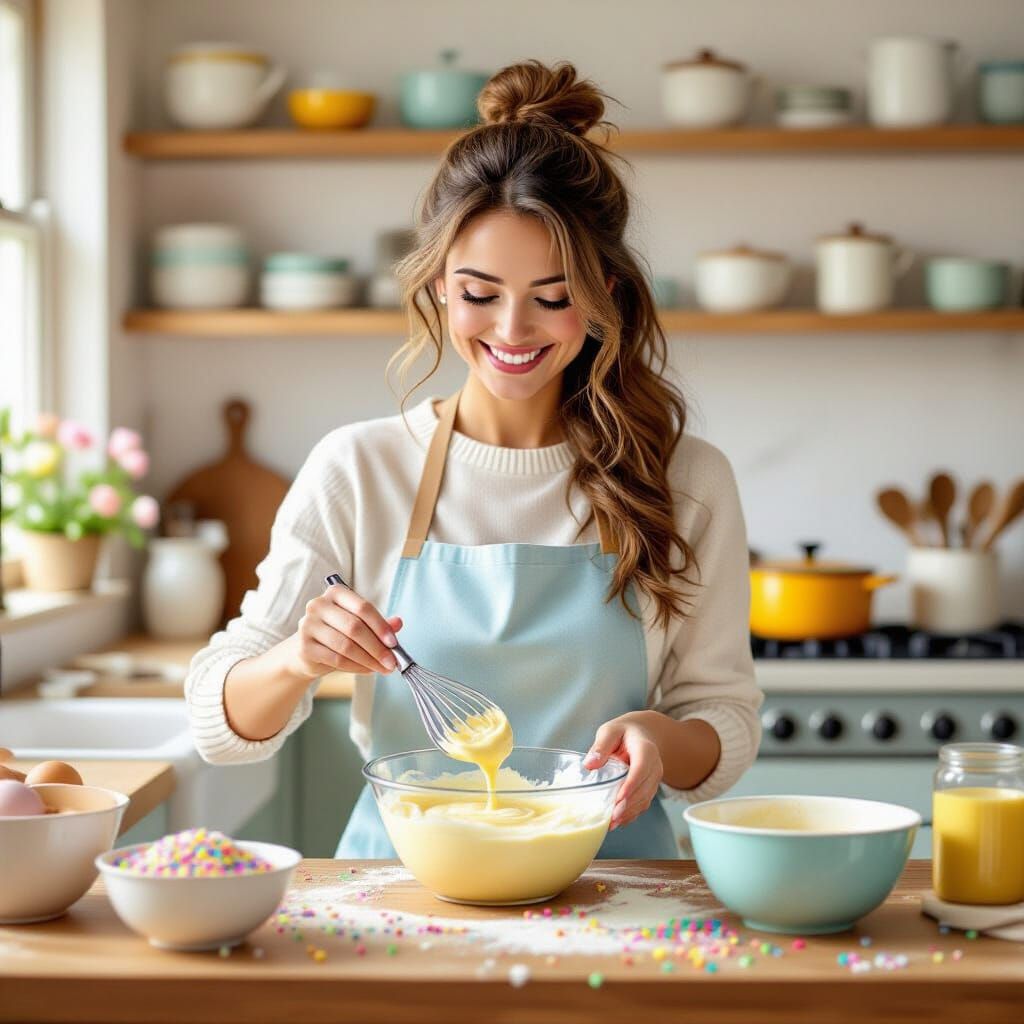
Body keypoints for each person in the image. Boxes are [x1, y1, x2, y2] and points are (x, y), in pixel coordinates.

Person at [185, 59, 762, 859]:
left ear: (608, 295)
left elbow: (724, 720)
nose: (513, 330)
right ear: (438, 289)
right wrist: (297, 659)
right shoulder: (359, 469)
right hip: (401, 891)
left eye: (553, 297)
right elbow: (222, 724)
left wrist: (661, 736)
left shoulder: (686, 480)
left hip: (617, 889)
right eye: (480, 293)